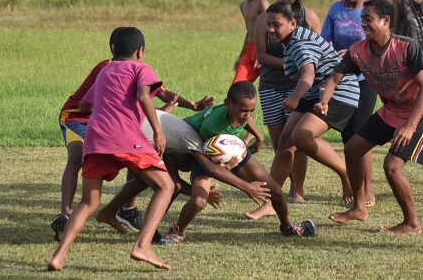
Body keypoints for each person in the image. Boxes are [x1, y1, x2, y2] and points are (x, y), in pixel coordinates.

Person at [52, 28, 214, 241]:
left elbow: (161, 92)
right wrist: (157, 128)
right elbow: (86, 105)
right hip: (78, 117)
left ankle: (126, 209)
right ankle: (65, 212)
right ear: (140, 51)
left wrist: (191, 105)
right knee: (77, 155)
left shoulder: (137, 69)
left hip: (111, 122)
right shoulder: (107, 68)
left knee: (136, 155)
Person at [47, 27, 174, 271]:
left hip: (95, 140)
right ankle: (143, 245)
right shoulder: (141, 68)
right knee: (165, 185)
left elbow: (85, 104)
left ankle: (59, 255)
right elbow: (144, 96)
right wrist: (158, 131)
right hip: (126, 138)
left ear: (113, 49)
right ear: (141, 51)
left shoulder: (104, 71)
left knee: (88, 202)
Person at [321, 0, 423, 235]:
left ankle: (412, 223)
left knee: (392, 167)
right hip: (392, 109)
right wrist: (323, 101)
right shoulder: (358, 51)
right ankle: (359, 208)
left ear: (386, 21)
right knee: (353, 148)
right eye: (361, 19)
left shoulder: (407, 46)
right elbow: (334, 78)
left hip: (420, 112)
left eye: (368, 19)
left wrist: (409, 126)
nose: (362, 23)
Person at [158, 81, 317, 245]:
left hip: (231, 146)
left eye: (252, 110)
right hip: (198, 153)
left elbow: (244, 118)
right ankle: (177, 231)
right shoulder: (211, 128)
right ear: (228, 104)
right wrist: (242, 183)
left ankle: (288, 226)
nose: (248, 115)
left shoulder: (236, 111)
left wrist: (258, 135)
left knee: (274, 190)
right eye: (243, 110)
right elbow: (209, 166)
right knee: (199, 200)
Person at [94, 108, 272, 237]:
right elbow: (202, 172)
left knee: (148, 181)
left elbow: (183, 180)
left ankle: (109, 212)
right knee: (166, 186)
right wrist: (246, 186)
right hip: (126, 131)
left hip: (125, 124)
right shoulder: (192, 141)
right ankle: (147, 238)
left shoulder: (178, 146)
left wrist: (205, 188)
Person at [255, 1, 359, 217]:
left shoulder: (299, 43)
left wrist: (294, 98)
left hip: (339, 92)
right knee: (285, 143)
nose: (271, 30)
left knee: (300, 137)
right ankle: (271, 203)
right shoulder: (290, 39)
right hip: (314, 93)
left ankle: (346, 172)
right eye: (268, 25)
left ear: (292, 23)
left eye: (277, 25)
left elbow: (308, 76)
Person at [246, 0, 322, 219]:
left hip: (299, 89)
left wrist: (300, 72)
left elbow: (318, 55)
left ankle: (296, 190)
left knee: (295, 143)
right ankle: (276, 194)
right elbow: (262, 56)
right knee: (279, 144)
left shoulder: (309, 18)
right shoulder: (263, 18)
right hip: (270, 87)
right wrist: (294, 64)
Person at [321, 0, 378, 207]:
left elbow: (380, 43)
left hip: (366, 79)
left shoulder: (372, 9)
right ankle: (355, 185)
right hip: (342, 80)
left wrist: (354, 53)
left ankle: (368, 189)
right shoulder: (335, 10)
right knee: (347, 137)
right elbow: (326, 42)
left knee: (360, 135)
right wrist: (334, 51)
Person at [233, 0, 269, 84]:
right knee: (237, 88)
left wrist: (263, 55)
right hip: (249, 50)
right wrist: (241, 56)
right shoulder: (243, 5)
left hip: (263, 50)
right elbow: (249, 31)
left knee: (266, 88)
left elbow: (270, 31)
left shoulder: (262, 4)